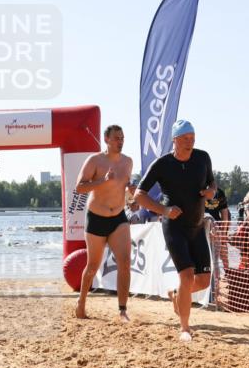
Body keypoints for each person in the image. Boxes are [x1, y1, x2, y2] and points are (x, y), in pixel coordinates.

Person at [134, 120, 215, 340]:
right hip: (174, 227)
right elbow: (139, 195)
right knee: (187, 275)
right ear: (175, 140)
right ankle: (185, 328)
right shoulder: (163, 164)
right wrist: (164, 210)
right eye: (186, 139)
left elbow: (212, 185)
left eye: (193, 138)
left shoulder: (202, 158)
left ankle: (177, 294)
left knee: (204, 281)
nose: (191, 142)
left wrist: (210, 192)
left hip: (197, 227)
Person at [76, 125, 135, 323]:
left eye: (123, 138)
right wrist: (102, 180)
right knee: (92, 266)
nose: (121, 141)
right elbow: (80, 187)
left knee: (125, 262)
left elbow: (125, 191)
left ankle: (122, 310)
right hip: (96, 218)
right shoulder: (95, 160)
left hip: (118, 217)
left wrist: (132, 196)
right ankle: (81, 302)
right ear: (106, 139)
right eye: (117, 138)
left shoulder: (128, 162)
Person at [204, 185, 230, 272]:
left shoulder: (219, 192)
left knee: (214, 258)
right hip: (205, 228)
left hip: (215, 228)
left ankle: (223, 275)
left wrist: (223, 233)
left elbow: (225, 214)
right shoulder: (198, 189)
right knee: (211, 258)